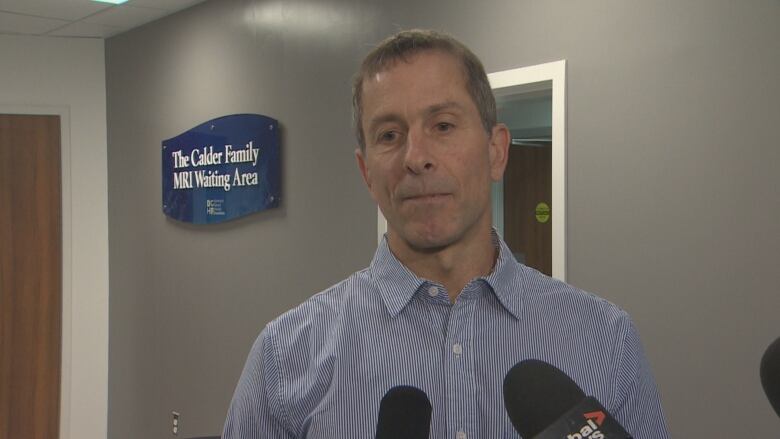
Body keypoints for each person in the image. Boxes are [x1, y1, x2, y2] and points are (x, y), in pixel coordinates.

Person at [223, 29, 670, 438]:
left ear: (496, 152)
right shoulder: (284, 359)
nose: (416, 157)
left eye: (443, 126)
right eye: (389, 134)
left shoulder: (606, 341)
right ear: (366, 173)